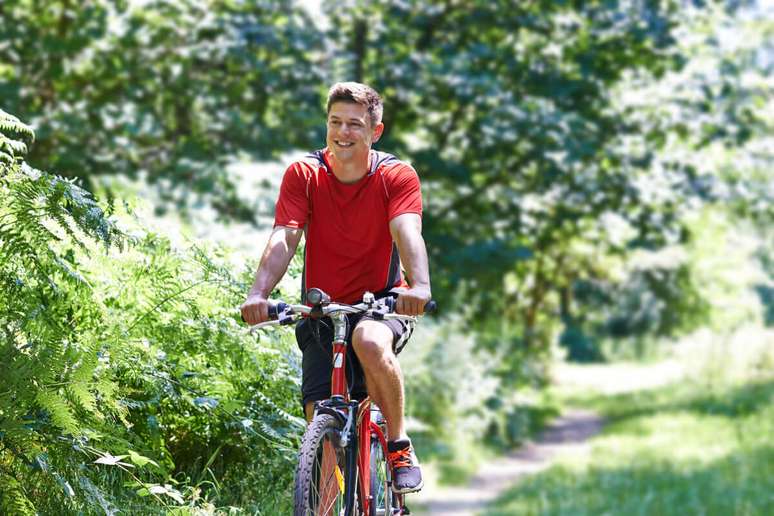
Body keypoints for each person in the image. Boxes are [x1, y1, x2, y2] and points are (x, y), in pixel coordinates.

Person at [240, 82, 432, 494]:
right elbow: (284, 236)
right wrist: (258, 294)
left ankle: (398, 444)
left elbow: (406, 230)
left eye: (355, 125)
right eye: (335, 122)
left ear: (375, 131)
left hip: (382, 305)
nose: (343, 132)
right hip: (322, 310)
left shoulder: (395, 175)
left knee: (368, 340)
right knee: (319, 422)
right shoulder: (304, 175)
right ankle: (326, 499)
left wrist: (419, 286)